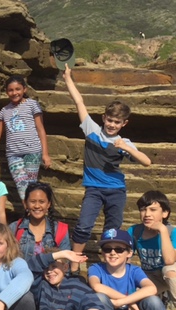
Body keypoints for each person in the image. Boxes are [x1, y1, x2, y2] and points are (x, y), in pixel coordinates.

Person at [62, 65, 151, 273]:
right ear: (103, 118)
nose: (112, 125)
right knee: (84, 225)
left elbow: (146, 162)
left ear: (124, 124)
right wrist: (67, 77)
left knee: (112, 230)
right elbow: (79, 102)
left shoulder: (123, 141)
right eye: (109, 120)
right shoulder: (91, 131)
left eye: (117, 122)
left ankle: (108, 266)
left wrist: (126, 148)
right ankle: (74, 266)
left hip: (116, 190)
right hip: (93, 189)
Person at [0, 75, 51, 201]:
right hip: (13, 155)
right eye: (11, 90)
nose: (14, 93)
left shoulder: (32, 105)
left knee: (31, 185)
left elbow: (40, 129)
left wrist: (45, 153)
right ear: (6, 92)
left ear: (24, 89)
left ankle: (32, 217)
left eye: (18, 89)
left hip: (32, 152)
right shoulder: (4, 111)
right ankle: (28, 215)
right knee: (22, 187)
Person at [128, 190, 176, 303]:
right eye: (143, 210)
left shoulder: (172, 232)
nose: (147, 214)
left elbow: (169, 260)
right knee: (138, 296)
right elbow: (125, 258)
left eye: (153, 210)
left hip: (170, 275)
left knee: (169, 270)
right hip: (150, 277)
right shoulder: (135, 231)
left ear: (165, 213)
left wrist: (162, 230)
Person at [9, 182, 70, 262]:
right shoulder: (14, 228)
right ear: (25, 203)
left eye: (41, 202)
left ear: (48, 204)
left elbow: (65, 264)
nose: (37, 206)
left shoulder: (60, 230)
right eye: (33, 201)